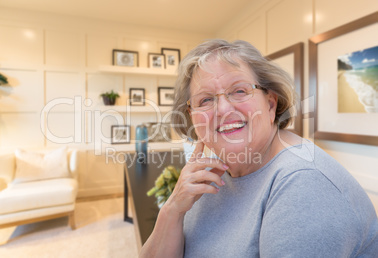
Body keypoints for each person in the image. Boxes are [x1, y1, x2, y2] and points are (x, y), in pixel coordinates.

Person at [140, 39, 378, 257]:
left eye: (240, 91)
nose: (222, 109)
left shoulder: (303, 182)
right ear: (191, 117)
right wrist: (172, 209)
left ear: (271, 103)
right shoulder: (215, 171)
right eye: (205, 100)